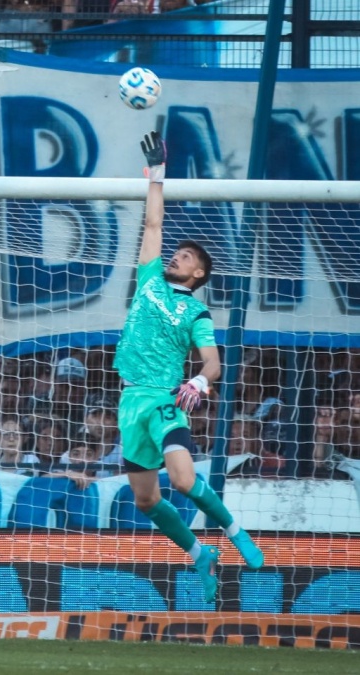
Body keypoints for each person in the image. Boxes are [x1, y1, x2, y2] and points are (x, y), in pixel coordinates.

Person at [113, 131, 264, 604]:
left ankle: (236, 530)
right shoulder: (149, 279)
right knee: (145, 500)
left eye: (187, 256)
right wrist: (157, 173)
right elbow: (153, 224)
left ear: (198, 274)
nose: (177, 255)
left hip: (163, 399)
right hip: (129, 400)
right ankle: (200, 553)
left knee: (180, 479)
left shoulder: (196, 313)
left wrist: (199, 379)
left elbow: (213, 362)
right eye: (178, 253)